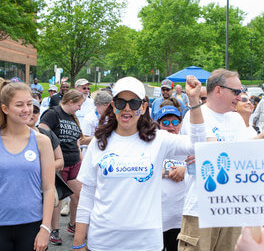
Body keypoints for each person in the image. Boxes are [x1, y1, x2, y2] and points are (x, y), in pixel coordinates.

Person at [73, 76, 206, 251]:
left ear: (143, 107)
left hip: (146, 242)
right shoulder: (99, 142)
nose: (127, 108)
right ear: (113, 106)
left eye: (134, 103)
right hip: (103, 240)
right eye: (121, 102)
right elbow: (87, 194)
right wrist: (78, 242)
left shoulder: (158, 139)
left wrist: (194, 101)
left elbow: (197, 145)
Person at [178, 69, 248, 251]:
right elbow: (205, 147)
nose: (240, 97)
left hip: (232, 208)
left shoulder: (237, 120)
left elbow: (244, 156)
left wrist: (212, 153)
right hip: (199, 209)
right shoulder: (194, 115)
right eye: (236, 92)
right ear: (218, 90)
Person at [0, 81, 55, 251]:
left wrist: (45, 228)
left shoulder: (42, 141)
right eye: (19, 104)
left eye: (29, 104)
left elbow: (48, 188)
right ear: (5, 109)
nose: (26, 109)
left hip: (32, 225)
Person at [39, 90, 84, 243]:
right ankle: (54, 230)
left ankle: (72, 224)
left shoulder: (73, 117)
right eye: (78, 105)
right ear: (70, 102)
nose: (79, 108)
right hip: (58, 163)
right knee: (57, 198)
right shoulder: (52, 113)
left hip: (74, 162)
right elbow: (42, 133)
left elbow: (77, 140)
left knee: (78, 196)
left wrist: (80, 155)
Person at [28, 98, 64, 246]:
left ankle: (53, 230)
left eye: (35, 110)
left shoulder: (46, 134)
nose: (31, 113)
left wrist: (43, 168)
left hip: (44, 185)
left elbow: (60, 160)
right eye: (29, 109)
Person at [156, 105, 186, 251]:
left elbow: (203, 165)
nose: (171, 127)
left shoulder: (188, 144)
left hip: (180, 217)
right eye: (165, 123)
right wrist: (168, 173)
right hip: (157, 217)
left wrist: (185, 170)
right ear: (159, 125)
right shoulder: (152, 144)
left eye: (175, 122)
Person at [80, 90, 112, 156]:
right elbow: (82, 140)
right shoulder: (89, 118)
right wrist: (102, 136)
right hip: (91, 153)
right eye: (107, 105)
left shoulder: (110, 117)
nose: (110, 108)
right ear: (99, 105)